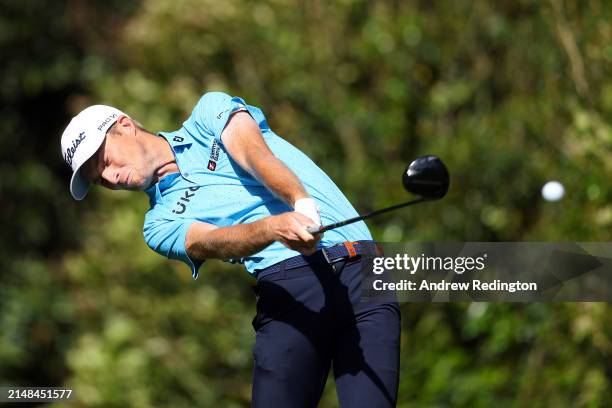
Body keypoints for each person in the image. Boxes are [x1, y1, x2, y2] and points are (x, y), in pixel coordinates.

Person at [60, 91, 400, 407]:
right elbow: (214, 241)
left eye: (105, 160)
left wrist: (301, 204)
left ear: (125, 126)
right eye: (100, 178)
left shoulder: (207, 114)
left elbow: (254, 153)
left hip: (368, 272)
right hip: (290, 292)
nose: (112, 177)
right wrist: (272, 228)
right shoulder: (157, 224)